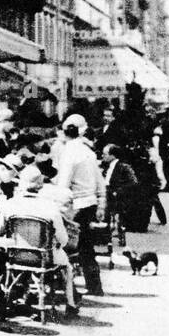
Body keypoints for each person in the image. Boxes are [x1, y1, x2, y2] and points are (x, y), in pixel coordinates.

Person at [0, 165, 76, 315]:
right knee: (67, 266)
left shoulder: (10, 205)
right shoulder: (50, 207)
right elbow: (63, 239)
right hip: (44, 258)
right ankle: (70, 303)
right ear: (40, 186)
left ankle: (2, 297)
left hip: (14, 256)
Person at [56, 114, 106, 296]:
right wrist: (101, 203)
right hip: (89, 203)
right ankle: (94, 285)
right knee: (86, 246)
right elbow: (101, 182)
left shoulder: (69, 152)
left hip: (75, 205)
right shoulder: (89, 152)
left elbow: (63, 185)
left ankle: (67, 287)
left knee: (62, 245)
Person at [100, 144, 139, 241]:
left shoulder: (123, 167)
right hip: (106, 192)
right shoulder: (105, 166)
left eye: (105, 154)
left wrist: (118, 191)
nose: (102, 156)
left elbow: (133, 182)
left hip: (116, 196)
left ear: (112, 156)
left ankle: (104, 233)